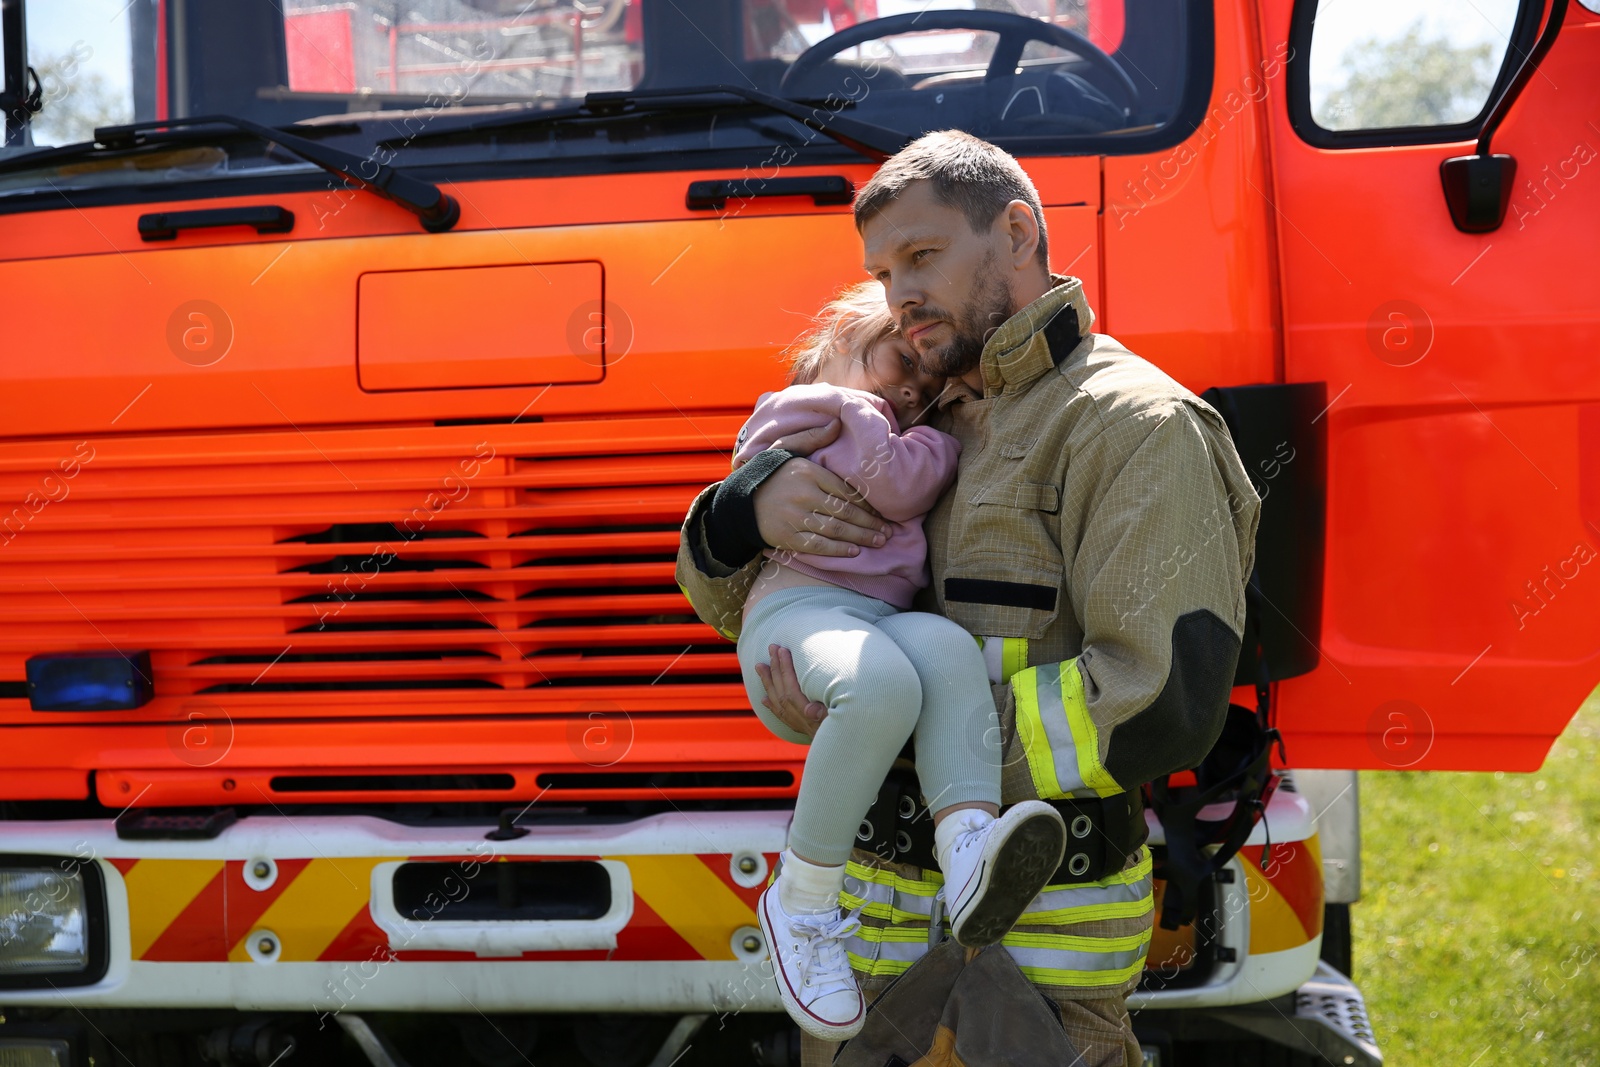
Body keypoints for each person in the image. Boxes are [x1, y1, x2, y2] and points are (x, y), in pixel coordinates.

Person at [677, 130, 1261, 1067]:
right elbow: (723, 600)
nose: (898, 293)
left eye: (923, 255)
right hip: (865, 932)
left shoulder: (1135, 428)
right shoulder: (909, 411)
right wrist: (744, 513)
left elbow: (1159, 698)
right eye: (881, 270)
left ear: (1020, 233)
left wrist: (905, 728)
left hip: (1041, 949)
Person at [733, 282, 1069, 1042]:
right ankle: (803, 898)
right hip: (800, 613)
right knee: (880, 686)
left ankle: (969, 849)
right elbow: (891, 478)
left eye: (923, 389)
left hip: (879, 619)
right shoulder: (822, 407)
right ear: (842, 341)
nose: (907, 389)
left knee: (947, 649)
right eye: (895, 361)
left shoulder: (880, 422)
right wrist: (932, 437)